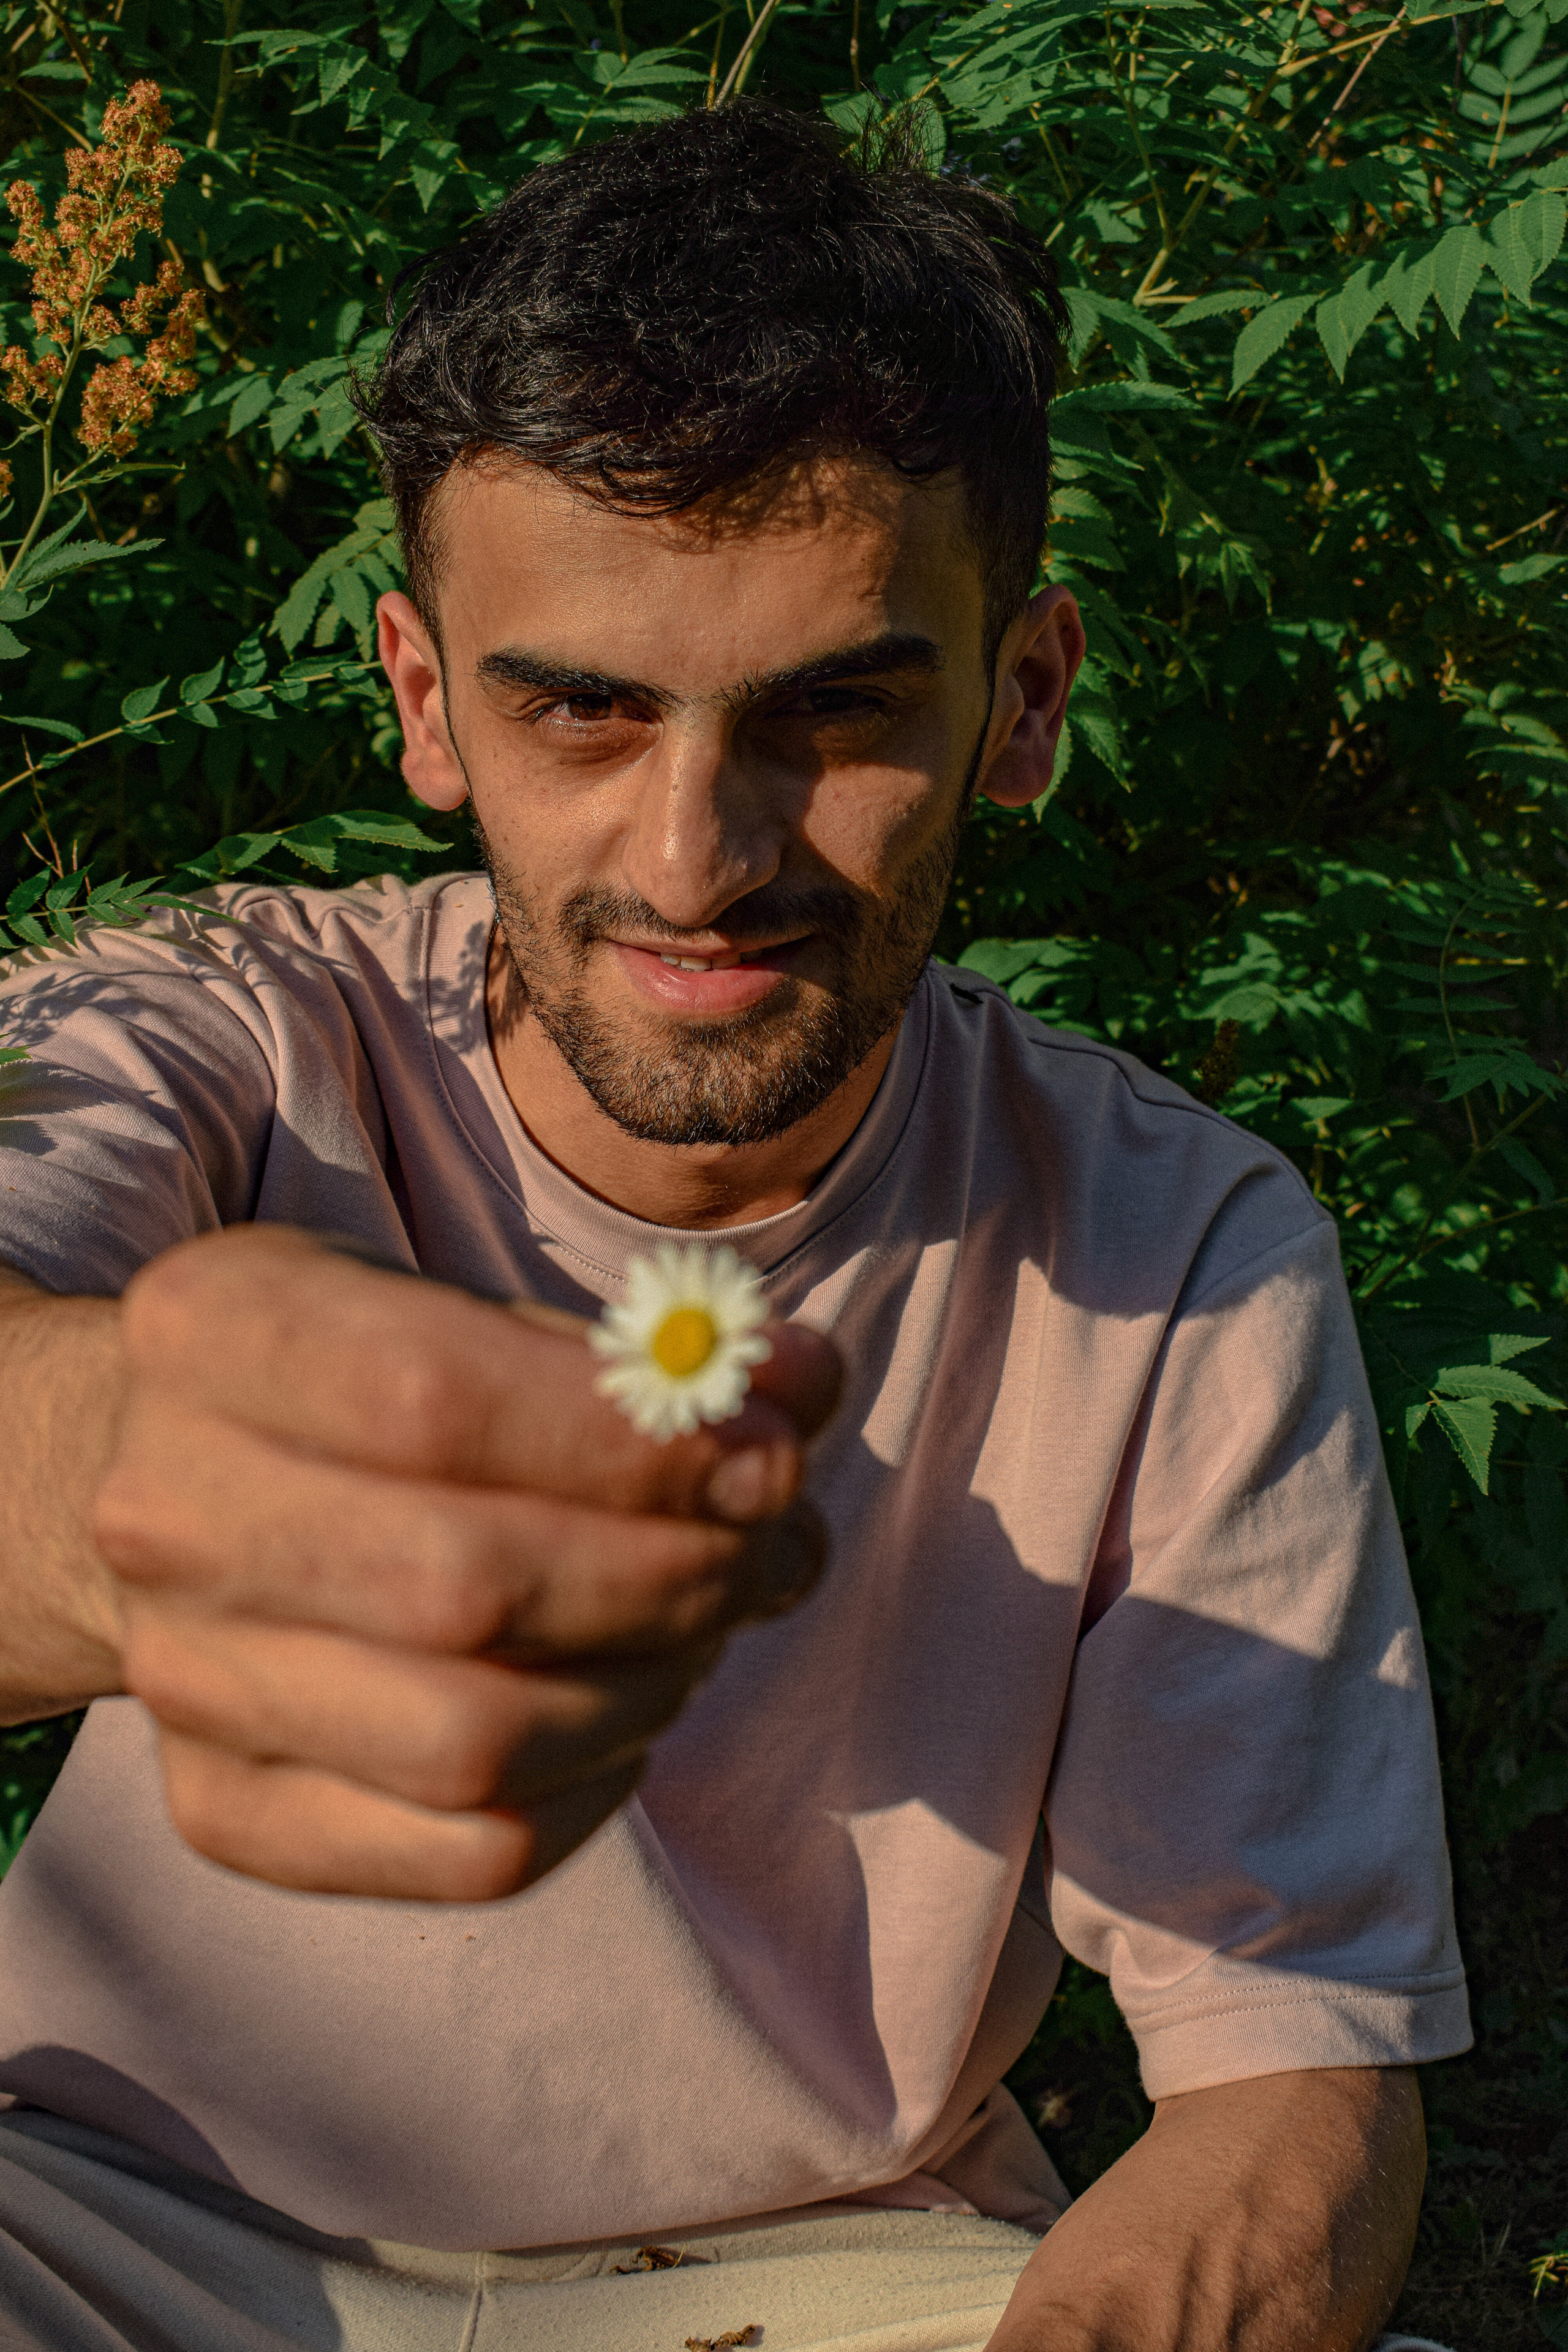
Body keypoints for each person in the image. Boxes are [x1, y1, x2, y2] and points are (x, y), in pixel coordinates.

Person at [0, 99, 1469, 2352]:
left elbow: (1293, 2065)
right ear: (422, 700)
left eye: (833, 710)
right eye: (578, 707)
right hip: (94, 2224)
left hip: (815, 2283)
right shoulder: (197, 1035)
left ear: (1026, 697)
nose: (696, 857)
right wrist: (155, 1498)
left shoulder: (1189, 1251)